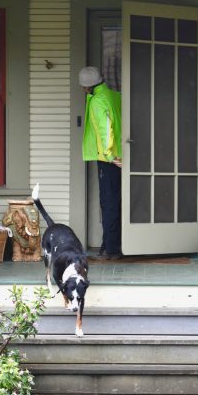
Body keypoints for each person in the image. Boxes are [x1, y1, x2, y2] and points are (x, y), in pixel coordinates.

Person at [79, 66, 122, 259]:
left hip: (109, 159)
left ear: (86, 87)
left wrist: (110, 156)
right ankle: (110, 245)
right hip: (121, 155)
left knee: (109, 202)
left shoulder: (97, 101)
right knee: (117, 201)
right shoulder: (114, 95)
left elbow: (106, 130)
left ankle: (111, 249)